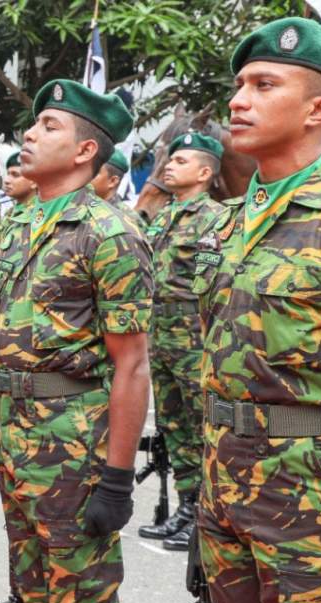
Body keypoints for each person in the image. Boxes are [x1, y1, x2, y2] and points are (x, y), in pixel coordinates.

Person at [193, 18, 321, 603]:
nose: (239, 101)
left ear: (318, 109)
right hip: (226, 493)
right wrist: (208, 502)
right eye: (239, 85)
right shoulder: (228, 223)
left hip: (315, 510)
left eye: (264, 85)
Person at [0, 79, 152, 603]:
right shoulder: (22, 222)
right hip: (19, 442)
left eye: (49, 126)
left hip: (74, 450)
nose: (29, 134)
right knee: (37, 596)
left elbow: (131, 364)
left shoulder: (110, 232)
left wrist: (116, 479)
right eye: (34, 124)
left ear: (86, 151)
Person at [135, 132, 225, 552]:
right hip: (160, 334)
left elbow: (212, 284)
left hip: (193, 336)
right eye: (170, 160)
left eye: (181, 161)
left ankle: (206, 517)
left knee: (201, 425)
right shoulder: (166, 215)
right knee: (172, 425)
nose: (169, 166)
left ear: (205, 173)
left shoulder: (214, 219)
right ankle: (186, 508)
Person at [90, 150, 143, 228]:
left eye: (95, 172)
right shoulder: (82, 201)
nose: (87, 176)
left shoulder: (129, 219)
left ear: (113, 181)